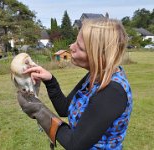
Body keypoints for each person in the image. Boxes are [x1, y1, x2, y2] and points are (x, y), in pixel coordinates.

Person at [17, 18, 133, 150]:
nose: (71, 47)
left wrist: (39, 110)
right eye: (75, 42)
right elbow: (65, 108)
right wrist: (50, 81)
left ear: (99, 56)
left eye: (80, 47)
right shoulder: (95, 75)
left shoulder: (112, 92)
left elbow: (75, 144)